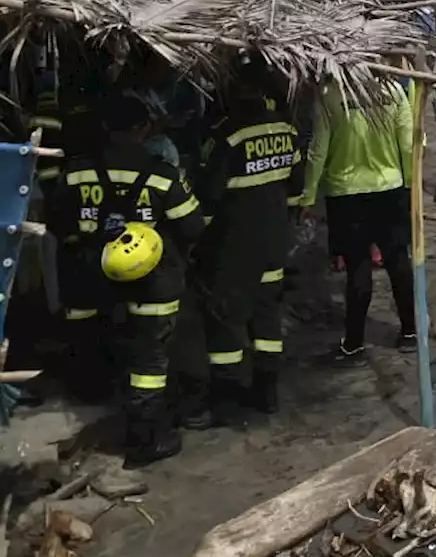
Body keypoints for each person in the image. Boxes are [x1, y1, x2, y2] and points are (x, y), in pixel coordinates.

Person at [51, 94, 205, 467]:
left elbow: (57, 223)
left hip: (94, 274)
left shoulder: (76, 172)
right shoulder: (163, 175)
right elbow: (192, 226)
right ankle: (143, 441)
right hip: (152, 280)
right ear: (144, 129)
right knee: (150, 361)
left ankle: (94, 392)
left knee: (96, 334)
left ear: (105, 129)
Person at [188, 56, 302, 427]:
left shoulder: (230, 134)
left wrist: (194, 238)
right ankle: (267, 391)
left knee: (227, 319)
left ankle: (227, 401)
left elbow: (210, 197)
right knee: (268, 315)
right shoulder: (286, 130)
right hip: (275, 241)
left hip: (234, 246)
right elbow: (296, 187)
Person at [299, 77, 416, 366]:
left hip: (347, 192)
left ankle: (353, 344)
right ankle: (410, 332)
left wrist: (308, 195)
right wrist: (411, 187)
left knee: (357, 267)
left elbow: (318, 148)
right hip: (390, 186)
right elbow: (408, 144)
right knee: (398, 261)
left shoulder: (329, 93)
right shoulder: (393, 89)